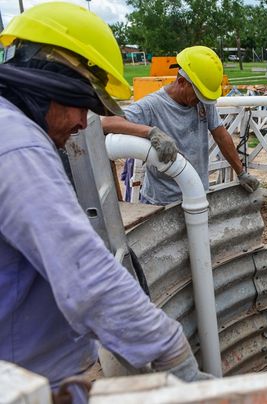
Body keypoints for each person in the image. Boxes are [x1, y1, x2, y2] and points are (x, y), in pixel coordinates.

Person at [0, 2, 211, 390]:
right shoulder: (17, 148)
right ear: (49, 84)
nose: (84, 122)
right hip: (21, 385)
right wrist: (174, 352)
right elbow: (84, 274)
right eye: (83, 105)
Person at [101, 46, 259, 205]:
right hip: (163, 201)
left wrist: (241, 172)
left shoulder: (202, 101)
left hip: (197, 194)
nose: (201, 100)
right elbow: (107, 122)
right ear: (182, 81)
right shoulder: (152, 105)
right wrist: (150, 132)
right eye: (198, 95)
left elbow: (221, 135)